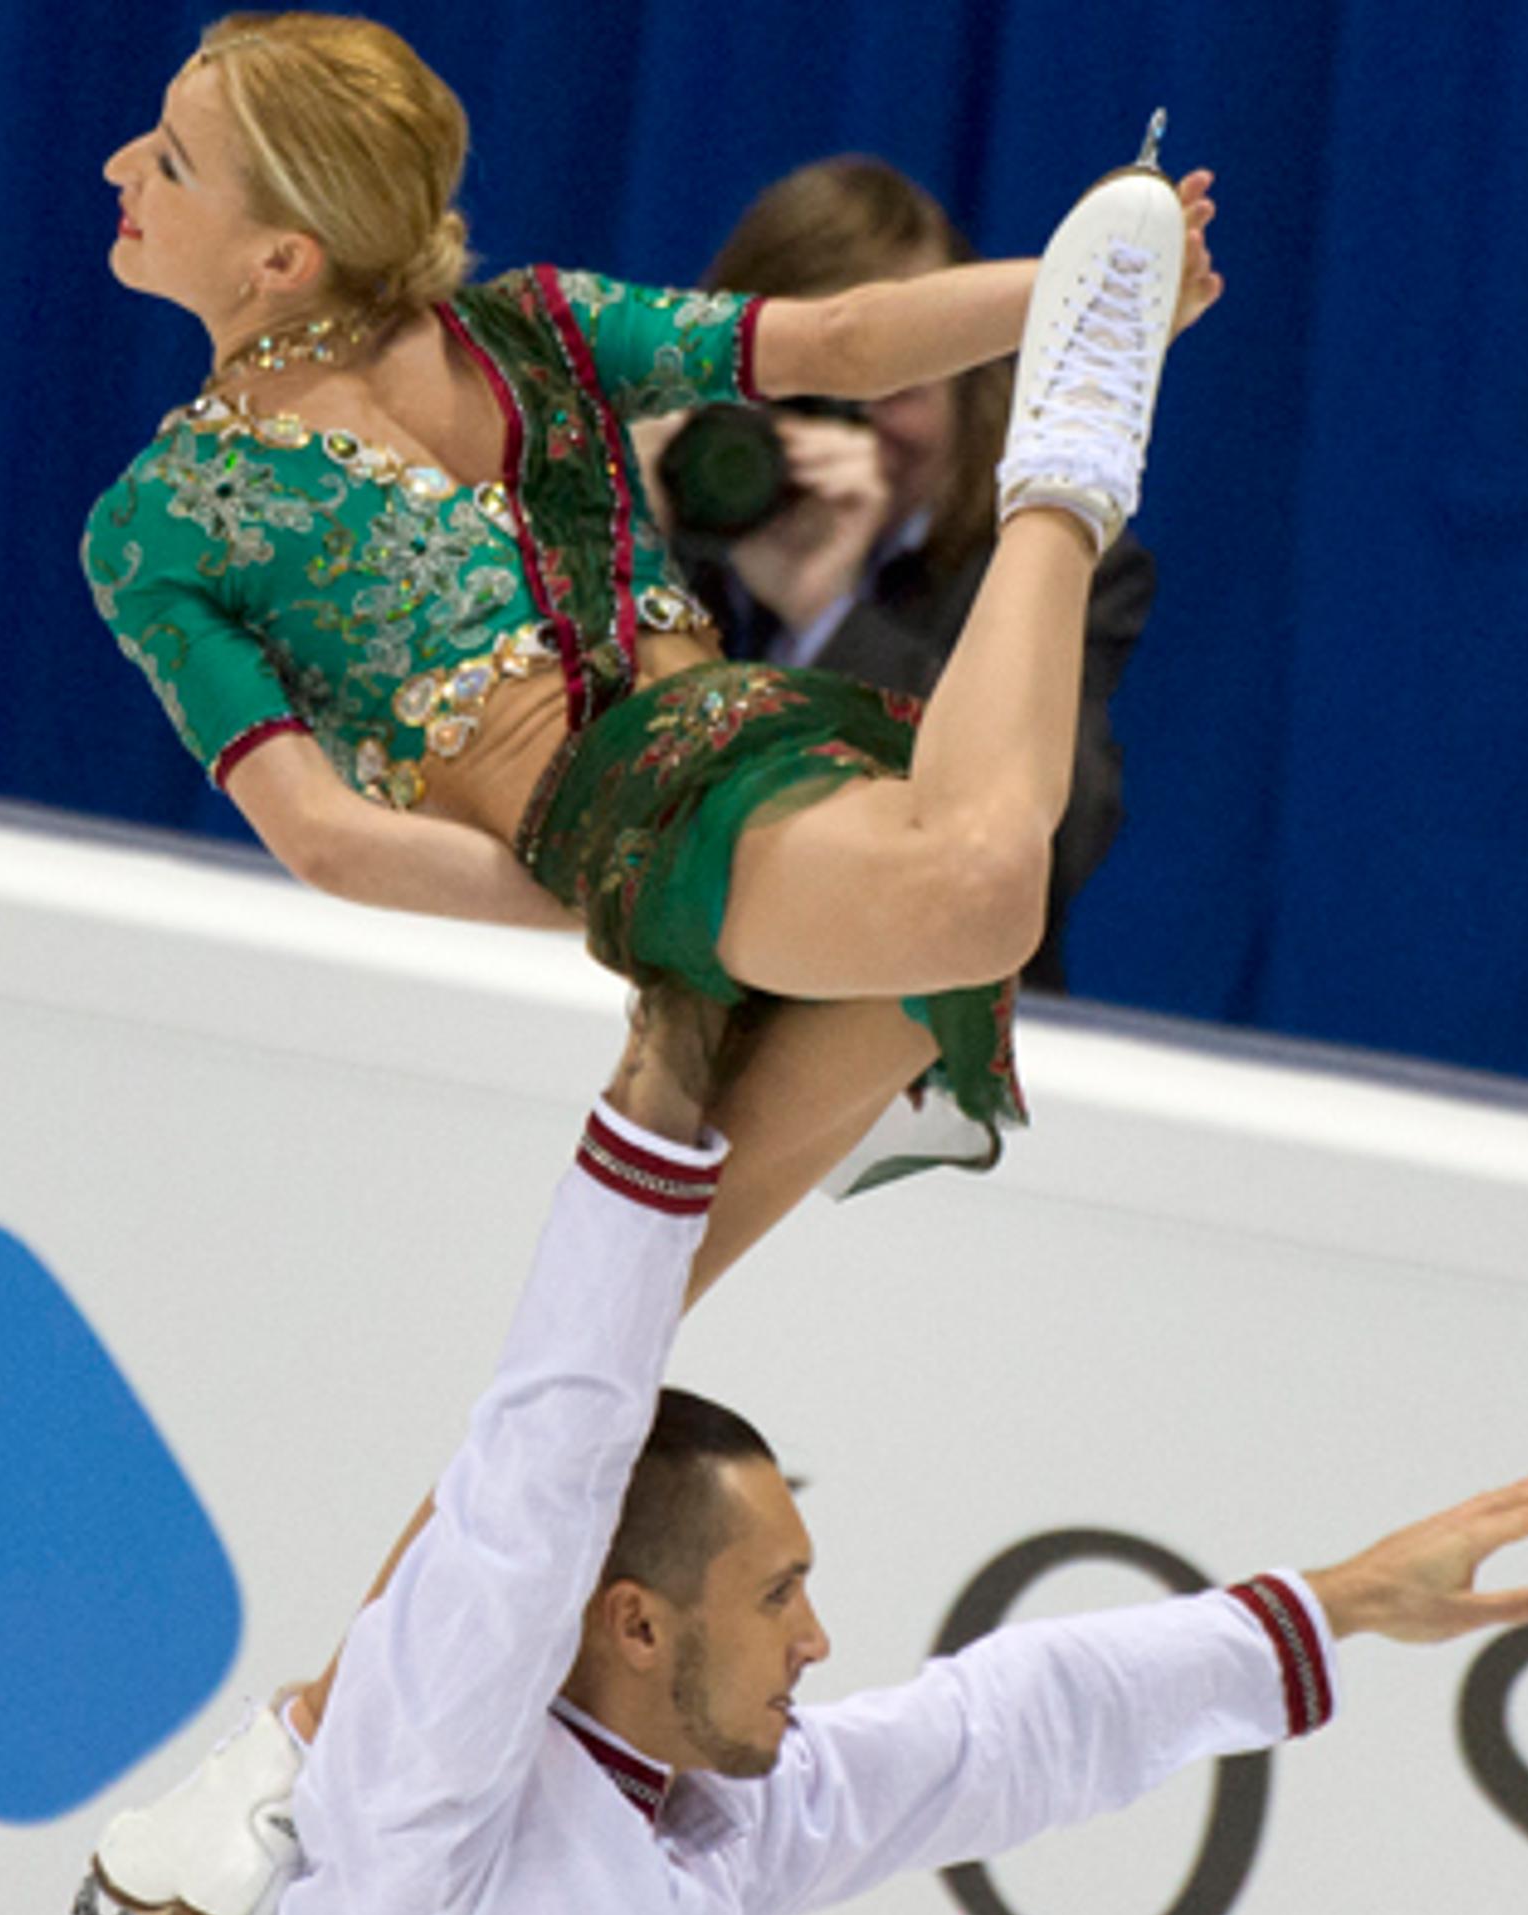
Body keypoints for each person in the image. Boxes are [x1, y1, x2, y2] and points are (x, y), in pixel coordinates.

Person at [85, 11, 1219, 1286]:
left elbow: (837, 341)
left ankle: (1071, 443)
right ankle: (1075, 439)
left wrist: (1086, 280)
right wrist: (615, 904)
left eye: (171, 161)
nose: (124, 164)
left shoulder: (511, 338)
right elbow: (328, 839)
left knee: (977, 896)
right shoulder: (172, 519)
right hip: (672, 839)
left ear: (284, 256)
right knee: (622, 1307)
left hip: (733, 778)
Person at [81, 1016, 1528, 1915]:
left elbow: (1011, 1729)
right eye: (778, 1593)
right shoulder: (436, 1790)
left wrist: (1339, 1604)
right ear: (636, 1622)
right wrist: (661, 1079)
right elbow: (547, 1457)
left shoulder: (732, 1817)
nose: (816, 1639)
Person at [647, 157, 1148, 992]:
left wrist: (825, 614)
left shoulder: (1044, 562)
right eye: (808, 391)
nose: (854, 432)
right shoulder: (663, 537)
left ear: (968, 381)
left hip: (920, 1039)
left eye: (897, 387)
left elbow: (1047, 856)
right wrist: (618, 544)